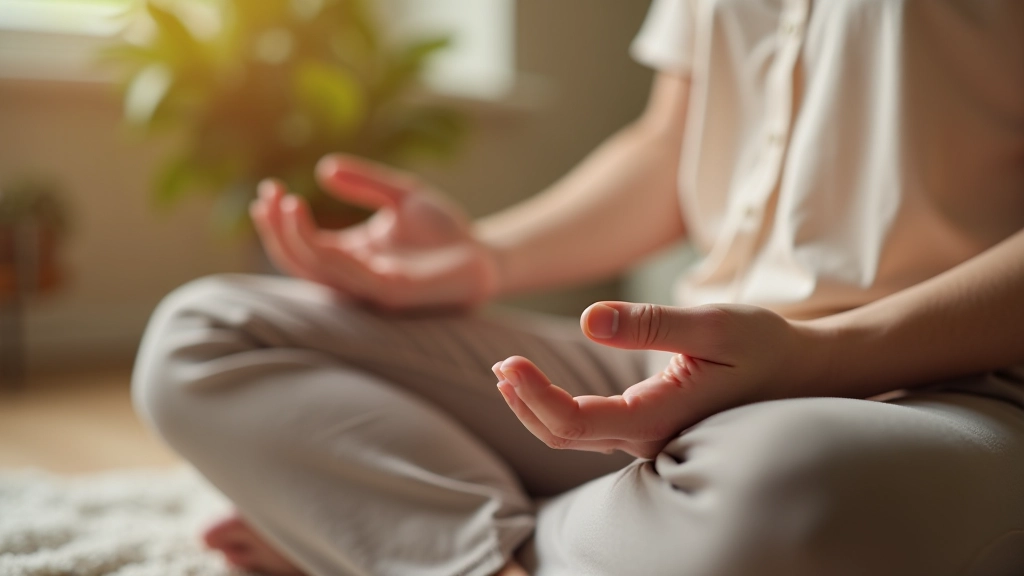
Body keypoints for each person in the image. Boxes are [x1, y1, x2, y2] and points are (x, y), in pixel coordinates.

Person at [132, 0, 1024, 574]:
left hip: (941, 385)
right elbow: (669, 145)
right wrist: (483, 256)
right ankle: (502, 545)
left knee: (795, 492)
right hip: (705, 352)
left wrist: (817, 355)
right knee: (206, 332)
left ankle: (392, 534)